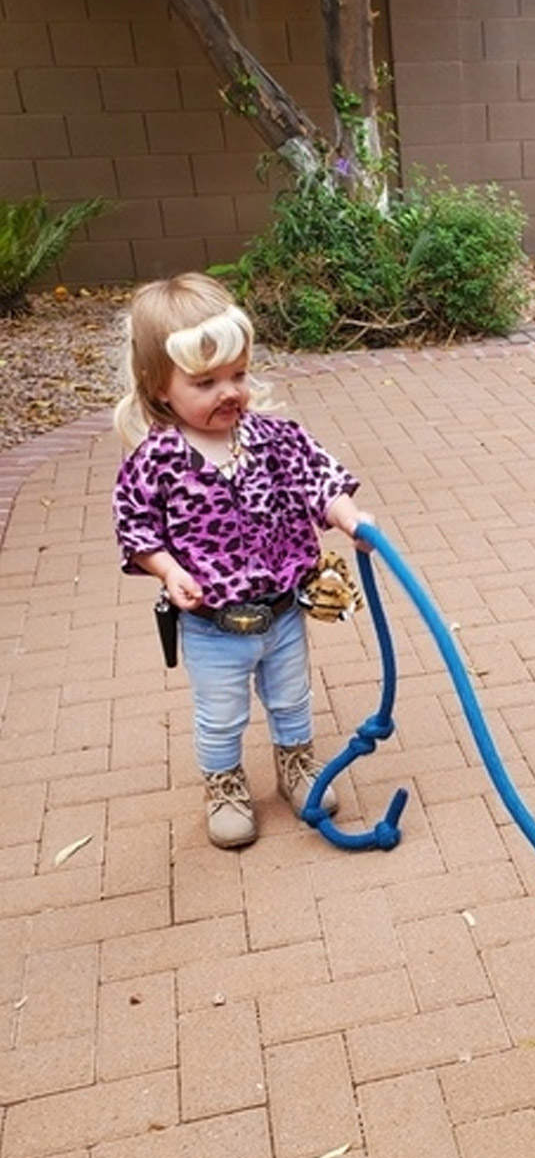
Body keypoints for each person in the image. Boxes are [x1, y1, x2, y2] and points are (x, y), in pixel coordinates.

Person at [112, 272, 373, 849]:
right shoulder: (155, 462)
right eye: (205, 382)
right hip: (212, 624)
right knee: (221, 712)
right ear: (160, 388)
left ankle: (298, 764)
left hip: (281, 613)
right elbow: (136, 529)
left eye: (238, 375)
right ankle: (225, 784)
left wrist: (351, 519)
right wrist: (169, 571)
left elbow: (320, 480)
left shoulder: (275, 439)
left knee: (291, 696)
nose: (229, 392)